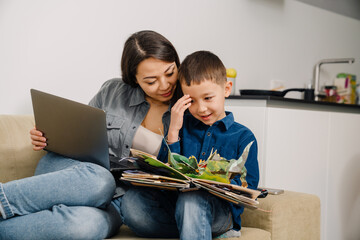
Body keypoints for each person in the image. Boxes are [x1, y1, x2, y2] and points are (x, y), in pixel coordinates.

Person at [0, 30, 181, 240]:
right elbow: (80, 134)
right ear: (134, 78)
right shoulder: (113, 91)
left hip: (119, 198)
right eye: (151, 81)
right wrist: (45, 137)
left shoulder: (189, 108)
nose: (165, 85)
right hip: (71, 172)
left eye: (170, 73)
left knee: (86, 227)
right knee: (101, 181)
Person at [159, 50, 260, 239]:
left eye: (208, 98)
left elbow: (249, 186)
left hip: (220, 214)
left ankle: (193, 225)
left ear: (226, 89)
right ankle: (188, 226)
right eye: (192, 101)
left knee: (193, 198)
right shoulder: (181, 127)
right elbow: (163, 176)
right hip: (178, 208)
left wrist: (218, 182)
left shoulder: (244, 136)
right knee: (134, 203)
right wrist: (173, 130)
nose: (201, 108)